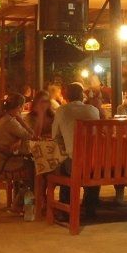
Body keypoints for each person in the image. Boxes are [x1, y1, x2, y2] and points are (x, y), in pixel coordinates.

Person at [52, 82, 100, 218]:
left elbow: (55, 135)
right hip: (95, 163)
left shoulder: (62, 110)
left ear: (66, 96)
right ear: (82, 95)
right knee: (92, 166)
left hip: (75, 164)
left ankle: (66, 208)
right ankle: (90, 207)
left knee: (65, 163)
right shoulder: (93, 110)